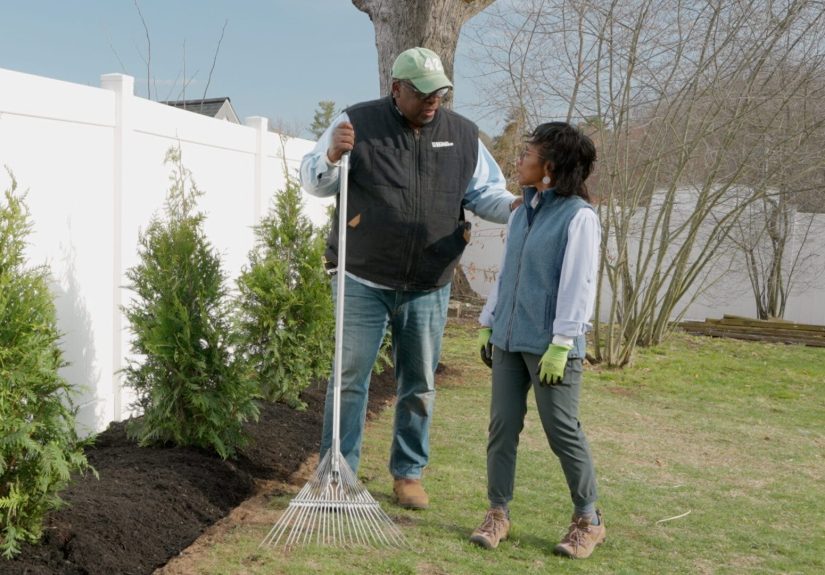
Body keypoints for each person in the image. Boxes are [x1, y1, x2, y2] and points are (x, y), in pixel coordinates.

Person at [300, 47, 521, 510]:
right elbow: (315, 182)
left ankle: (408, 473)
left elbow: (485, 194)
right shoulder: (356, 123)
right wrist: (334, 155)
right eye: (422, 93)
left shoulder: (463, 135)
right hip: (363, 276)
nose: (432, 101)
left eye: (439, 92)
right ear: (396, 89)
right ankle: (337, 473)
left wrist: (518, 208)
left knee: (419, 383)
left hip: (428, 281)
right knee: (349, 379)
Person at [470, 121, 605, 559]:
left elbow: (578, 285)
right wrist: (489, 320)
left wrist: (564, 342)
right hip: (509, 340)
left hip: (551, 348)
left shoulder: (579, 218)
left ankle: (589, 519)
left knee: (562, 431)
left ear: (548, 166)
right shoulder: (520, 210)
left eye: (527, 154)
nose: (518, 159)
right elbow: (509, 272)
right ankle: (497, 513)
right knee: (501, 428)